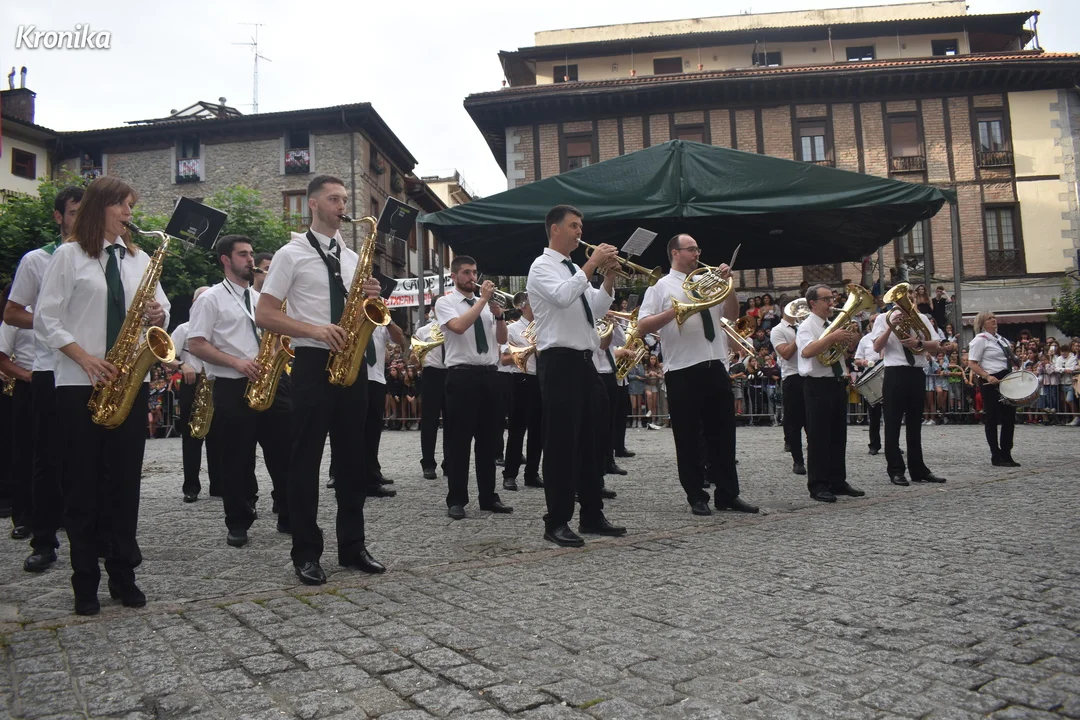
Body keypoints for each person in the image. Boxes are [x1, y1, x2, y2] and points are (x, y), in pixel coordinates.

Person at [34, 176, 170, 615]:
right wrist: (85, 358)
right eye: (123, 205)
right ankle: (84, 580)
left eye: (131, 206)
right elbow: (46, 319)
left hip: (128, 383)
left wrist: (158, 313)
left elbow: (162, 312)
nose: (130, 213)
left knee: (124, 484)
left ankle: (122, 573)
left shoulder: (140, 258)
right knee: (83, 485)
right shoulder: (69, 256)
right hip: (79, 383)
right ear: (101, 207)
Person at [255, 174, 385, 585]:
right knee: (305, 459)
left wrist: (368, 298)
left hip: (351, 361)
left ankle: (353, 546)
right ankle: (306, 552)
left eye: (344, 199)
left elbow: (359, 311)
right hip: (312, 361)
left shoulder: (352, 257)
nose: (342, 206)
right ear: (312, 204)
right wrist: (313, 330)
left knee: (353, 458)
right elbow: (264, 314)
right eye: (334, 199)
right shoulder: (290, 254)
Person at [526, 205, 626, 546]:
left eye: (580, 225)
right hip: (559, 362)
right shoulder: (542, 266)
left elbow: (595, 310)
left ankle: (592, 515)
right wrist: (593, 264)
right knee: (562, 444)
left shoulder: (573, 269)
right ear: (555, 229)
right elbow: (561, 297)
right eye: (573, 225)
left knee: (593, 442)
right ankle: (556, 521)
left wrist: (608, 277)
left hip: (585, 362)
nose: (580, 231)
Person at [638, 233, 758, 516]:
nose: (697, 253)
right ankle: (696, 495)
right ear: (675, 253)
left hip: (715, 364)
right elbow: (642, 326)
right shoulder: (660, 286)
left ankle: (728, 494)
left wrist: (729, 285)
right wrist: (674, 312)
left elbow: (731, 314)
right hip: (682, 369)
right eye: (691, 249)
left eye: (697, 249)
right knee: (688, 437)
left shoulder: (709, 281)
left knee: (724, 435)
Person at [187, 235, 293, 547]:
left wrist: (275, 354)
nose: (250, 260)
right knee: (235, 458)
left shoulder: (261, 299)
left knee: (284, 452)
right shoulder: (211, 299)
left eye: (250, 254)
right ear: (226, 260)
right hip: (233, 385)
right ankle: (238, 521)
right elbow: (196, 344)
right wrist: (237, 362)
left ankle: (288, 513)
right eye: (243, 255)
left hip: (270, 381)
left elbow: (275, 336)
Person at [4, 185, 83, 572]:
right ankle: (44, 540)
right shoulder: (37, 259)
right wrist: (54, 322)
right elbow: (11, 313)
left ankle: (94, 535)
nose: (79, 221)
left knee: (90, 460)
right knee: (47, 460)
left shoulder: (102, 258)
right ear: (58, 217)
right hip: (49, 369)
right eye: (73, 213)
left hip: (89, 371)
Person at [434, 256, 513, 519]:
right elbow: (458, 327)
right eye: (466, 273)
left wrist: (499, 316)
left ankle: (488, 496)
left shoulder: (487, 306)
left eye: (474, 272)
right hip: (462, 376)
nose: (472, 278)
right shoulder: (446, 302)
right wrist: (482, 302)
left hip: (490, 375)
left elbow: (501, 339)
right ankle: (456, 499)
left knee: (489, 440)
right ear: (454, 276)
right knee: (459, 441)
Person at [795, 284, 866, 503]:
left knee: (838, 436)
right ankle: (818, 485)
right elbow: (807, 351)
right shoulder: (806, 326)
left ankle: (837, 481)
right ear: (813, 303)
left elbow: (845, 352)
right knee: (818, 437)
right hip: (817, 385)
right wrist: (832, 337)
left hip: (836, 382)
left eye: (831, 299)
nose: (831, 303)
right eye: (826, 299)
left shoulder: (831, 325)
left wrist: (850, 339)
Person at [870, 303, 948, 486]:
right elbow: (876, 347)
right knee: (892, 423)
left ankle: (918, 469)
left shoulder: (921, 318)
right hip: (894, 372)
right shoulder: (883, 318)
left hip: (916, 372)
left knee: (915, 424)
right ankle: (896, 470)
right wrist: (890, 328)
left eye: (907, 299)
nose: (904, 304)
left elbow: (936, 345)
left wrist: (918, 343)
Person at [167, 286, 223, 503]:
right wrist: (182, 365)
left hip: (215, 382)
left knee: (218, 436)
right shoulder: (184, 329)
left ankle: (218, 484)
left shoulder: (220, 328)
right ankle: (191, 487)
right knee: (191, 437)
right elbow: (165, 356)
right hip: (193, 381)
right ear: (194, 303)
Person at [967, 311, 1019, 467]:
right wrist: (987, 376)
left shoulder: (1001, 340)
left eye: (994, 317)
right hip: (990, 380)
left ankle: (1006, 453)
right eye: (989, 318)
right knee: (992, 417)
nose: (993, 320)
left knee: (1009, 417)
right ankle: (995, 455)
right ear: (982, 323)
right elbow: (972, 363)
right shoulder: (980, 340)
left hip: (1005, 378)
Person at [501, 297, 543, 491]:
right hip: (520, 379)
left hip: (540, 379)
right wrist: (529, 350)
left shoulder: (544, 327)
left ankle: (532, 473)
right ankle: (510, 474)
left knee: (538, 430)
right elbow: (504, 359)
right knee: (517, 430)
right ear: (524, 306)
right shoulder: (512, 329)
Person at [362, 321, 406, 498]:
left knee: (373, 432)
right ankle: (346, 476)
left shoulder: (380, 325)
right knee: (354, 432)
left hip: (377, 380)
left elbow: (400, 338)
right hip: (356, 379)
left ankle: (372, 476)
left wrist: (387, 321)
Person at [770, 306, 805, 473]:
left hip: (809, 375)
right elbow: (785, 353)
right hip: (792, 377)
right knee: (794, 423)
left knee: (813, 422)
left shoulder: (803, 325)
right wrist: (801, 335)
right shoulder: (778, 330)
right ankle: (798, 461)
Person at [415, 310, 447, 479]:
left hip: (452, 373)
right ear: (434, 310)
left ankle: (450, 463)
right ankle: (428, 463)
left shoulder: (455, 328)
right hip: (431, 374)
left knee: (452, 422)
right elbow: (414, 357)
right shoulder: (423, 331)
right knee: (429, 421)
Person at [853, 317, 883, 455]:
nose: (874, 322)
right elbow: (857, 359)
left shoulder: (889, 336)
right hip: (871, 377)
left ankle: (892, 444)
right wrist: (865, 363)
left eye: (877, 320)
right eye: (872, 320)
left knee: (891, 415)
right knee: (874, 414)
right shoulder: (865, 340)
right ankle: (874, 444)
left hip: (887, 375)